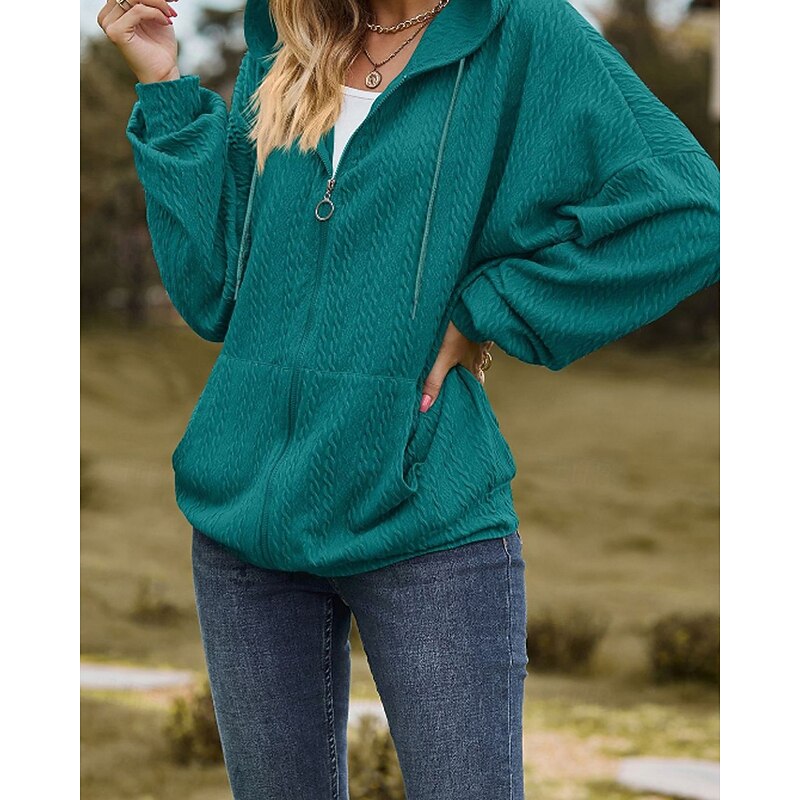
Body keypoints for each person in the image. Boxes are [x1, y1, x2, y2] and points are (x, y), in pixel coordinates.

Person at [98, 0, 720, 797]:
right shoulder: (290, 38)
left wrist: (494, 306)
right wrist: (162, 82)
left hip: (424, 521)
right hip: (245, 533)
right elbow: (218, 288)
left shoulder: (522, 30)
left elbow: (689, 210)